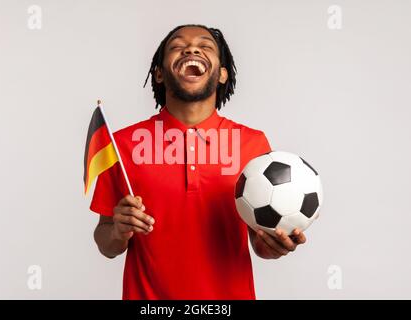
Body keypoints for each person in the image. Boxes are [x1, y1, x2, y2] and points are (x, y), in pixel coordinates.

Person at [90, 24, 306, 300]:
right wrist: (119, 231)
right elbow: (105, 243)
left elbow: (259, 245)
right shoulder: (122, 144)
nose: (191, 48)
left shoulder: (253, 143)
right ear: (159, 73)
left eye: (205, 46)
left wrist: (275, 244)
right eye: (177, 46)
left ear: (222, 74)